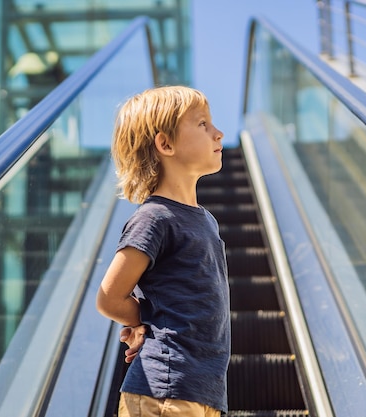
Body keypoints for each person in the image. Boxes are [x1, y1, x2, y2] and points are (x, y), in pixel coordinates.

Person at [96, 85, 230, 417]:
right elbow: (110, 298)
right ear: (165, 144)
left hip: (204, 390)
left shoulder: (206, 221)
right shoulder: (154, 218)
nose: (218, 133)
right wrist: (146, 322)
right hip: (164, 390)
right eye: (202, 124)